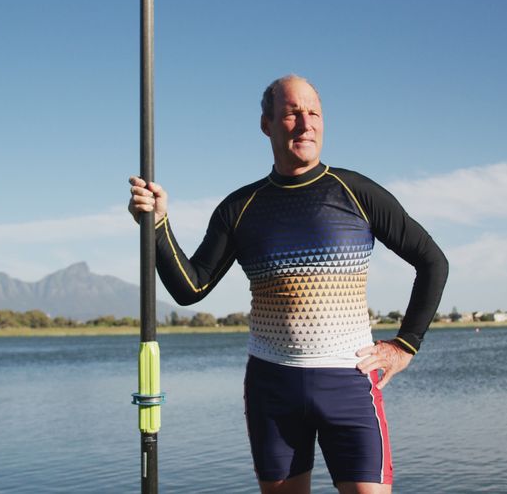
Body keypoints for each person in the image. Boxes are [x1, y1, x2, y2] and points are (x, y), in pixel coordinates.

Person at [128, 75, 448, 494]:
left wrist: (405, 345)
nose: (305, 123)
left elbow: (432, 261)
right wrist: (157, 226)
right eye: (292, 113)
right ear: (267, 124)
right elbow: (192, 288)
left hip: (349, 382)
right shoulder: (241, 208)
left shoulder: (356, 192)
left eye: (313, 112)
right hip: (272, 388)